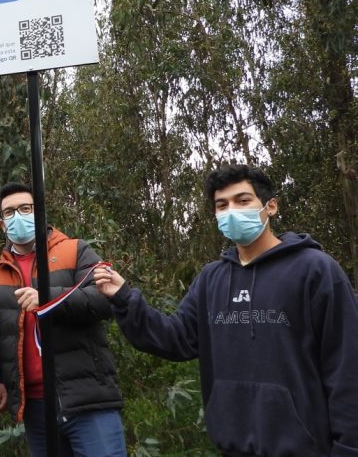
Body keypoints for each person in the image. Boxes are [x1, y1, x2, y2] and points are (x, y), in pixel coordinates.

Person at [94, 164, 358, 455]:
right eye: (222, 205)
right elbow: (174, 338)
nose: (231, 210)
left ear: (270, 207)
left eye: (243, 201)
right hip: (231, 446)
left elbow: (346, 367)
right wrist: (123, 297)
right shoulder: (212, 278)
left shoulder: (315, 270)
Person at [0, 182, 125, 457]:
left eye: (25, 208)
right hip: (35, 405)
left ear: (40, 213)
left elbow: (105, 299)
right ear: (1, 224)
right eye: (9, 212)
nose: (17, 216)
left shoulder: (74, 250)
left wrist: (47, 298)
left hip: (87, 398)